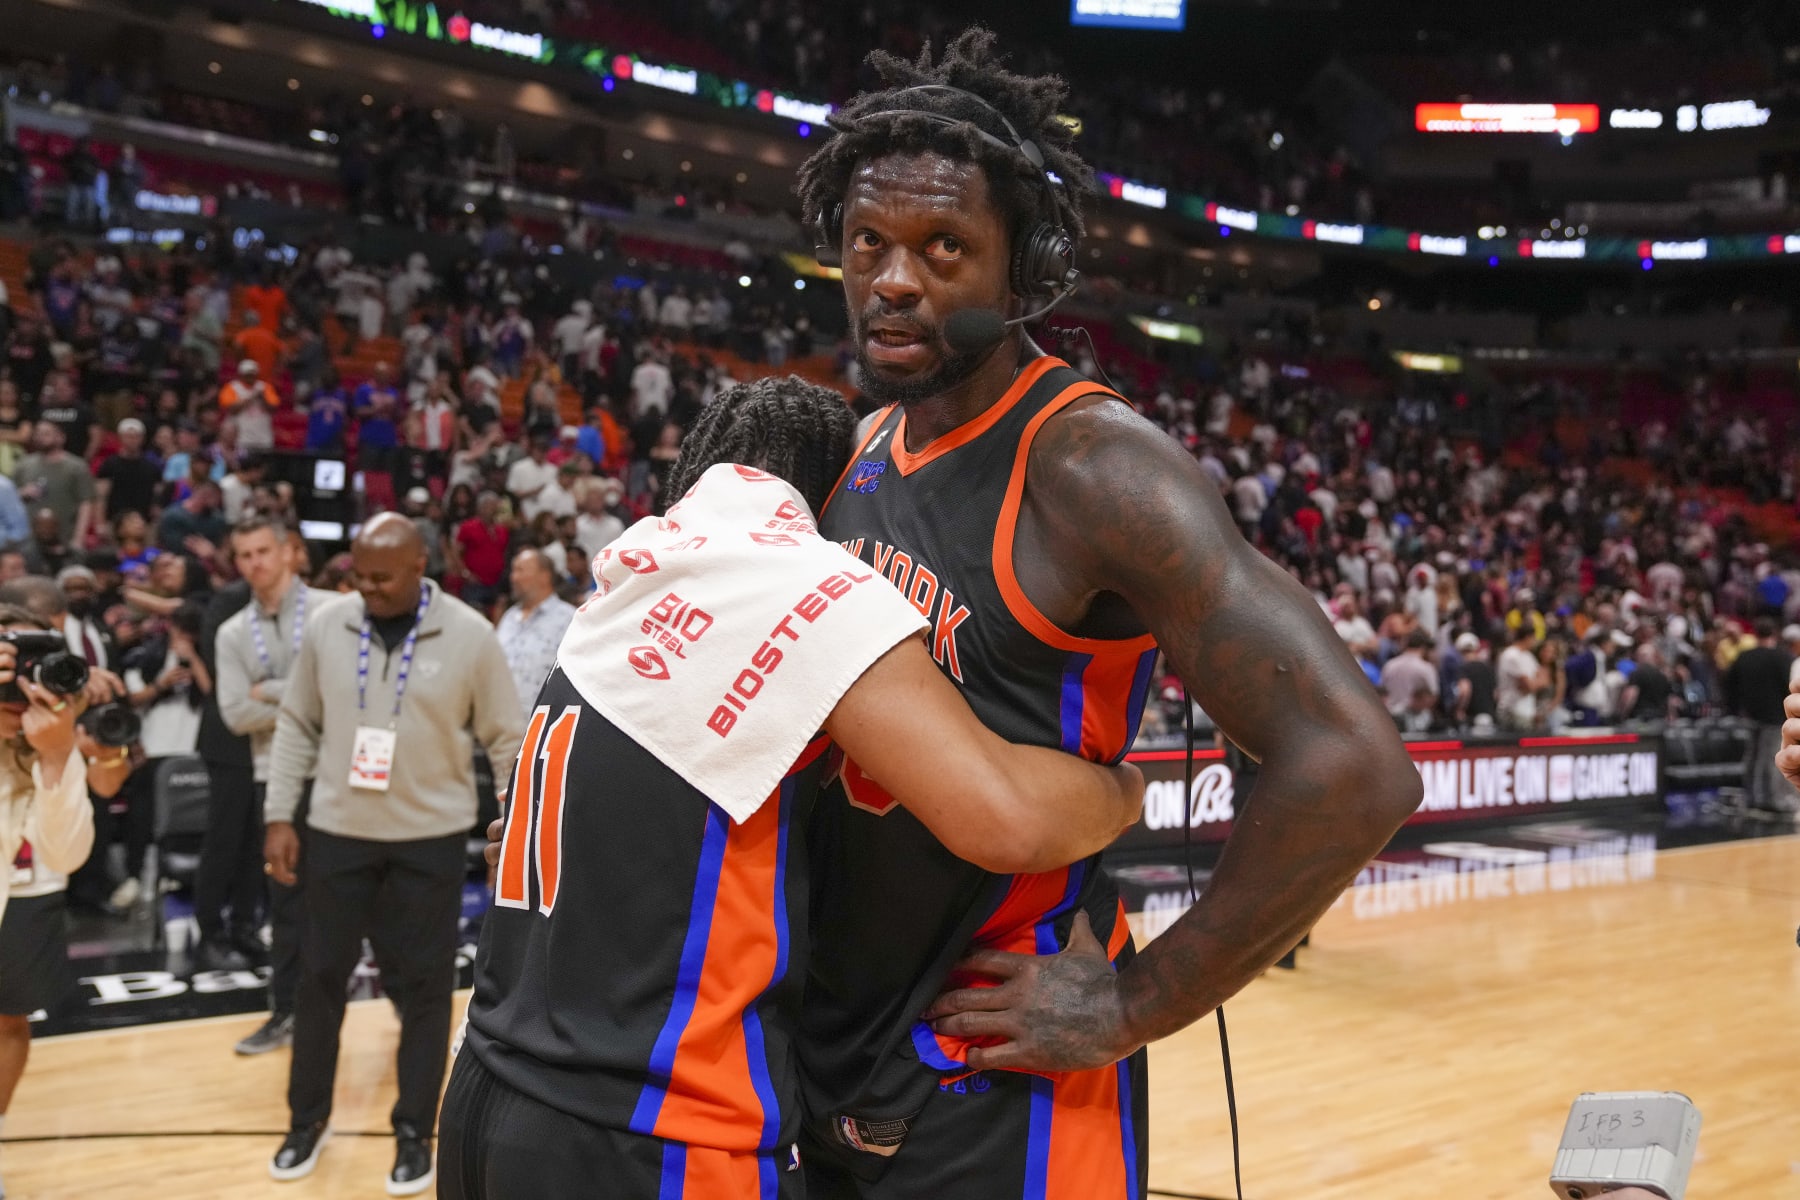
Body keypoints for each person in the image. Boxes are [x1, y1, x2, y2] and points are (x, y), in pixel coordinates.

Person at [792, 31, 1419, 1197]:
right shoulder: (865, 443)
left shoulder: (1092, 467)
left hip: (990, 1065)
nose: (893, 277)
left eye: (944, 248)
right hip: (831, 1047)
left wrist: (1139, 1002)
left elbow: (1352, 765)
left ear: (1018, 274)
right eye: (868, 241)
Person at [445, 377, 1144, 1200]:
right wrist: (1124, 788)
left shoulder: (625, 579)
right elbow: (1005, 818)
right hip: (651, 1127)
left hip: (484, 1090)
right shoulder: (795, 583)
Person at [263, 514, 522, 1194]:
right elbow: (296, 723)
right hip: (338, 834)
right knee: (318, 980)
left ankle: (414, 1133)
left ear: (420, 568)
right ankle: (305, 1123)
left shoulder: (470, 634)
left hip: (427, 842)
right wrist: (277, 816)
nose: (366, 588)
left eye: (381, 577)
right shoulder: (329, 626)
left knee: (426, 991)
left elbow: (506, 741)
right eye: (357, 574)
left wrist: (519, 825)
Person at [0, 601, 134, 1199]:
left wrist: (57, 754)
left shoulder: (53, 723)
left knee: (11, 1018)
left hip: (31, 890)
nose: (20, 690)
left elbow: (68, 850)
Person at [213, 517, 334, 1051]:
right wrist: (306, 696)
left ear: (290, 553)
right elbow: (236, 713)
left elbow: (344, 695)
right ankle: (285, 1012)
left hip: (339, 776)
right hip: (276, 779)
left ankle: (399, 1008)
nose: (254, 563)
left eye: (264, 551)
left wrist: (273, 692)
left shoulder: (336, 611)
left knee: (366, 899)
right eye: (244, 555)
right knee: (285, 905)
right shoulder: (232, 631)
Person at [493, 548, 575, 720]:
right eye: (513, 571)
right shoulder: (509, 617)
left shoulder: (568, 619)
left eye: (520, 570)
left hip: (541, 727)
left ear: (544, 576)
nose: (513, 578)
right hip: (502, 727)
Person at [1724, 617, 1793, 811]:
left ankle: (1752, 798)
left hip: (1750, 715)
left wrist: (1735, 709)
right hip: (1775, 716)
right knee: (1773, 758)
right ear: (1774, 634)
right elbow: (1789, 687)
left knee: (1752, 758)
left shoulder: (1744, 657)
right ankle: (1775, 800)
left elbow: (1729, 685)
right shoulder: (1782, 657)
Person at [94, 418, 161, 523]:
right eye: (128, 436)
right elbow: (100, 497)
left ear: (142, 438)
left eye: (136, 437)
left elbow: (157, 497)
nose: (132, 440)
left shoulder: (151, 467)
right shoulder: (110, 464)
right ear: (120, 437)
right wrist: (100, 523)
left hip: (143, 523)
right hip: (114, 522)